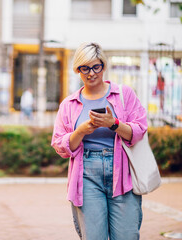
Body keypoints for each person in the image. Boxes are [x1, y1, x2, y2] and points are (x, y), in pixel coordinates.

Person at [51, 42, 148, 240]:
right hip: (86, 174)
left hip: (122, 172)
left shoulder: (123, 94)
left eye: (96, 67)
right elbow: (59, 145)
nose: (91, 73)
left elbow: (140, 130)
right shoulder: (69, 104)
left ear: (103, 66)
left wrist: (114, 124)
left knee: (127, 235)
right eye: (84, 68)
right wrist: (79, 132)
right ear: (78, 70)